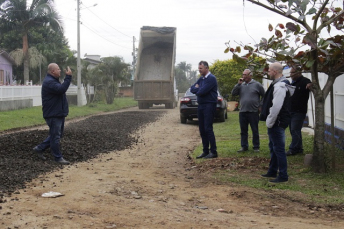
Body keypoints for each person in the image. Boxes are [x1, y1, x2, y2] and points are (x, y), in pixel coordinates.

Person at [260, 62, 294, 183]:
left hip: (277, 121)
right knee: (273, 147)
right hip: (277, 121)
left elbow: (276, 106)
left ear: (274, 71)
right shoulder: (279, 84)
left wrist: (270, 120)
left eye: (269, 70)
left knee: (279, 149)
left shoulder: (280, 86)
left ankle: (283, 175)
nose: (268, 72)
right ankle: (272, 170)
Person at [32, 63, 72, 165]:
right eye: (58, 69)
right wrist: (68, 77)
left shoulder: (53, 81)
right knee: (55, 136)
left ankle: (39, 148)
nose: (60, 71)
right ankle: (58, 158)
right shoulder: (49, 82)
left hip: (57, 113)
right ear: (52, 71)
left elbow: (60, 90)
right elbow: (62, 89)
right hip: (53, 114)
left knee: (56, 135)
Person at [231, 69, 265, 153]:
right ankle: (244, 146)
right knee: (243, 131)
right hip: (242, 111)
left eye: (246, 75)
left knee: (255, 130)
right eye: (243, 75)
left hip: (253, 111)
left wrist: (261, 106)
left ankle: (256, 146)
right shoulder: (241, 85)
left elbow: (264, 96)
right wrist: (238, 84)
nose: (244, 76)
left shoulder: (257, 85)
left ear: (250, 75)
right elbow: (233, 93)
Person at [191, 61, 218, 159]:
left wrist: (198, 89)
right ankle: (205, 151)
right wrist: (197, 88)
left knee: (208, 128)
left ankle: (213, 151)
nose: (199, 70)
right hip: (201, 105)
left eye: (201, 68)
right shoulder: (201, 79)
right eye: (199, 68)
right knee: (202, 129)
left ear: (206, 68)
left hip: (209, 105)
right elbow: (191, 89)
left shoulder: (211, 79)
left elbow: (202, 91)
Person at [286, 65, 312, 156]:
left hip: (299, 111)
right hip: (291, 110)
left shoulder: (304, 81)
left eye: (292, 72)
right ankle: (299, 148)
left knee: (295, 129)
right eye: (290, 72)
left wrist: (310, 85)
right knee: (294, 130)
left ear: (298, 72)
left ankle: (293, 149)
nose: (291, 74)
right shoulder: (293, 83)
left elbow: (310, 84)